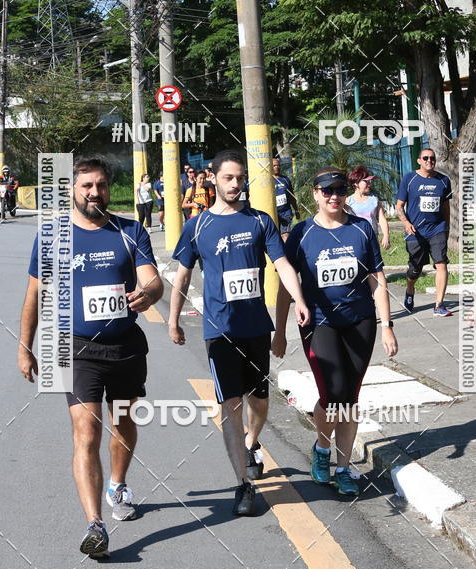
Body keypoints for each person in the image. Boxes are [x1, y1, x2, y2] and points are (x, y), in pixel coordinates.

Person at [17, 156, 164, 558]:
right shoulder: (52, 236)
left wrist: (149, 293)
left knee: (122, 422)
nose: (94, 193)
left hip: (124, 347)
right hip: (74, 347)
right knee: (86, 430)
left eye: (100, 185)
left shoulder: (130, 230)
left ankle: (118, 483)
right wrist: (24, 346)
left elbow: (153, 279)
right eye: (86, 186)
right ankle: (94, 524)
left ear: (108, 188)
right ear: (72, 190)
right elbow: (34, 293)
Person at [168, 149, 310, 516]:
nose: (235, 184)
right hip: (220, 330)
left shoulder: (260, 222)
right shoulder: (197, 225)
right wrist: (173, 320)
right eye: (228, 177)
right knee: (230, 405)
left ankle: (251, 443)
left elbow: (282, 264)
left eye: (240, 177)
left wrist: (299, 301)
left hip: (256, 328)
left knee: (259, 402)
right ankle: (242, 486)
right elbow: (182, 275)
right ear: (212, 178)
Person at [272, 167, 397, 496]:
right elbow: (287, 286)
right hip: (319, 323)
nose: (333, 196)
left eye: (340, 190)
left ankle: (343, 468)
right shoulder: (302, 234)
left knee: (350, 397)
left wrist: (387, 326)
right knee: (332, 393)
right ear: (314, 194)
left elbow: (376, 280)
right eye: (326, 190)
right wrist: (280, 330)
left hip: (360, 322)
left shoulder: (361, 230)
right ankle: (322, 450)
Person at [395, 148, 453, 316]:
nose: (430, 161)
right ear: (419, 160)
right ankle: (410, 289)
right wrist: (406, 223)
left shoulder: (443, 180)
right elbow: (399, 206)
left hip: (437, 229)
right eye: (426, 158)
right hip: (415, 232)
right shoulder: (409, 179)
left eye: (432, 158)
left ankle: (439, 305)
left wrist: (446, 227)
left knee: (441, 263)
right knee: (415, 270)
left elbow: (445, 207)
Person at [346, 166, 390, 250]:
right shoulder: (347, 202)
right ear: (356, 183)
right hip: (354, 241)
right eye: (366, 181)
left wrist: (386, 236)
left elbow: (381, 219)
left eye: (370, 181)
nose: (370, 183)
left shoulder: (374, 200)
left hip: (372, 239)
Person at [272, 156, 299, 241]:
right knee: (275, 237)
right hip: (273, 214)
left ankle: (288, 253)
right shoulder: (268, 180)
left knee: (286, 236)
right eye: (274, 166)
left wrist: (296, 210)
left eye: (278, 165)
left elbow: (291, 196)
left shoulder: (285, 179)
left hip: (285, 213)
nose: (277, 167)